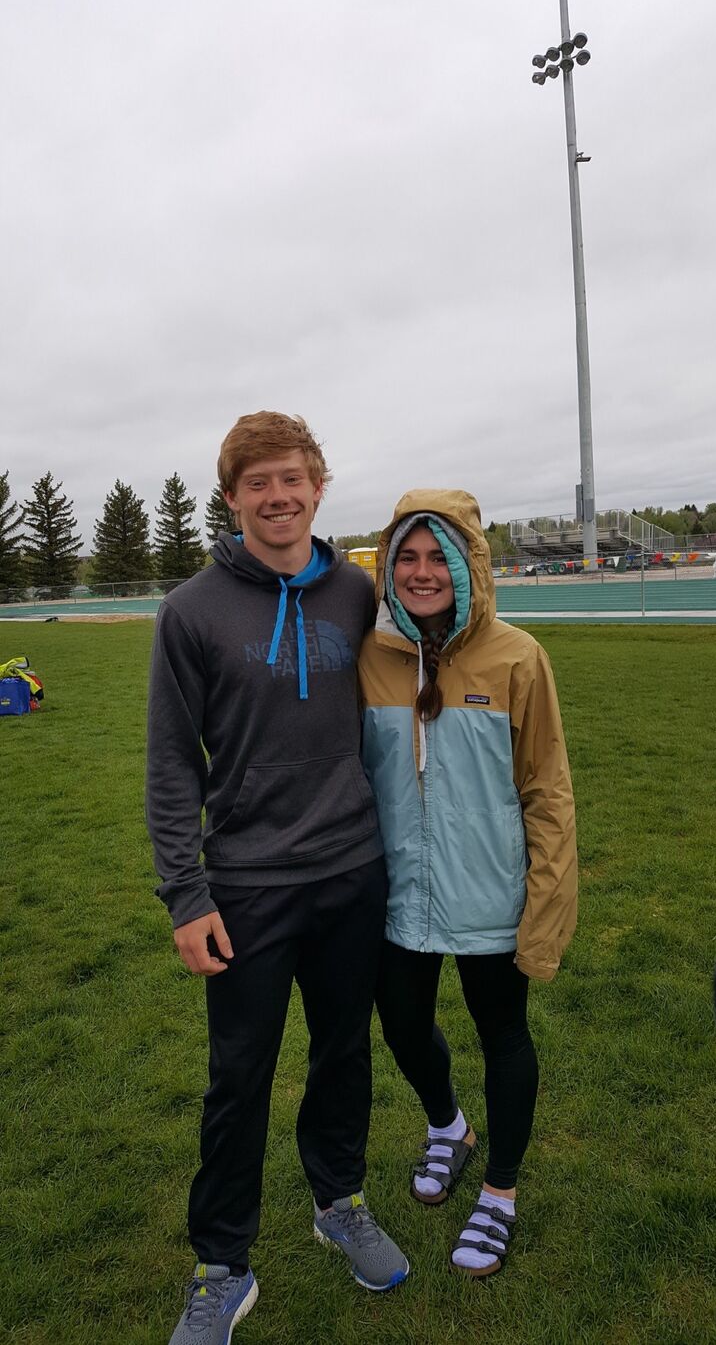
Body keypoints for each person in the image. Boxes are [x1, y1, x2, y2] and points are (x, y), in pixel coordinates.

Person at [146, 412, 409, 1345]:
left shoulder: (355, 591)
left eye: (292, 477)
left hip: (351, 871)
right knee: (239, 1077)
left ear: (319, 486)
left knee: (344, 1054)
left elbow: (440, 644)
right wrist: (187, 894)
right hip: (247, 885)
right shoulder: (190, 610)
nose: (277, 495)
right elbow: (173, 763)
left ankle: (339, 1201)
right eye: (256, 482)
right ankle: (222, 1265)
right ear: (231, 498)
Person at [358, 489, 578, 1277]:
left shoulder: (518, 658)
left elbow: (548, 793)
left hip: (491, 896)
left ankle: (499, 1192)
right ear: (389, 566)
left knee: (503, 1037)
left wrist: (545, 915)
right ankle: (448, 1126)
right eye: (406, 557)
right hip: (397, 898)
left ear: (468, 566)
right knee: (405, 1031)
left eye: (437, 556)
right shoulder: (370, 654)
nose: (422, 572)